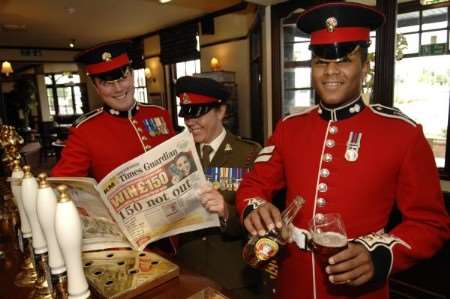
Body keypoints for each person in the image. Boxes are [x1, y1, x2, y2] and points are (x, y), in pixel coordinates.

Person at [235, 3, 449, 299]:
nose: (330, 72)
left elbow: (430, 224)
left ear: (365, 66)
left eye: (345, 60)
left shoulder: (404, 134)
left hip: (361, 291)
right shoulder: (289, 127)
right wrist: (255, 208)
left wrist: (381, 255)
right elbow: (253, 184)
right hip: (291, 285)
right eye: (321, 62)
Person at [174, 76, 265, 299]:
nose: (190, 122)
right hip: (187, 270)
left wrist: (225, 210)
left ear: (220, 111)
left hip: (232, 276)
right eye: (186, 115)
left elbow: (262, 223)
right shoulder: (177, 153)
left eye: (198, 114)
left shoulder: (249, 154)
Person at [51, 40, 175, 182]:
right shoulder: (84, 131)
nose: (118, 88)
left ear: (132, 76)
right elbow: (63, 184)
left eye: (123, 78)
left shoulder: (159, 114)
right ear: (96, 87)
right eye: (107, 83)